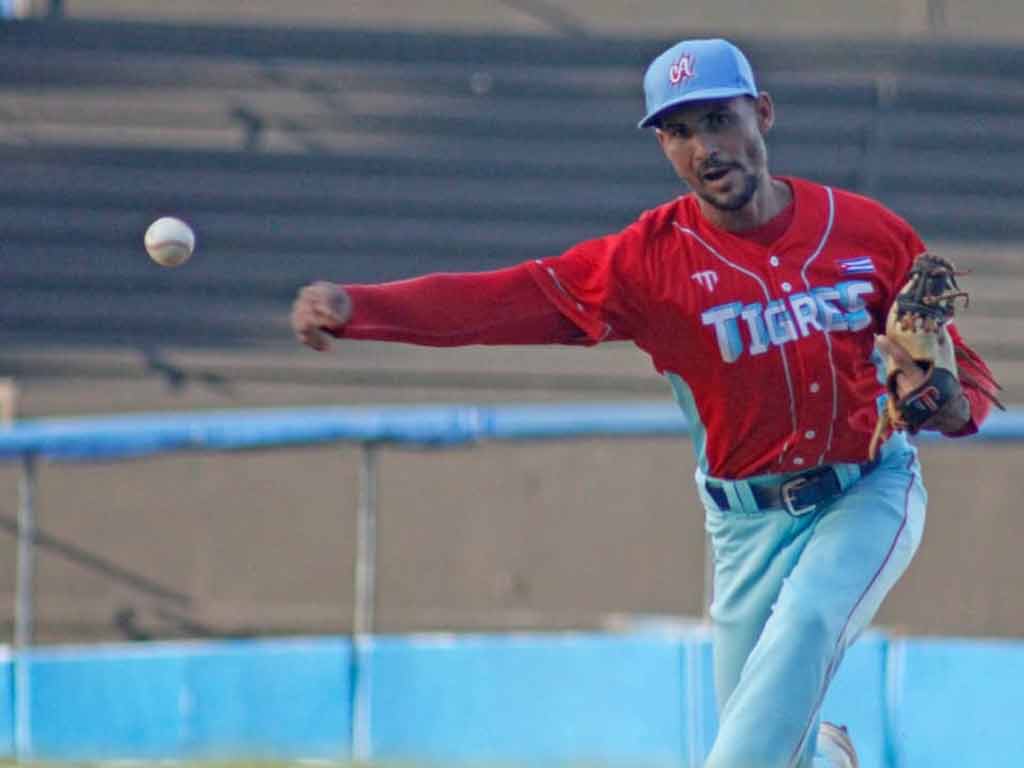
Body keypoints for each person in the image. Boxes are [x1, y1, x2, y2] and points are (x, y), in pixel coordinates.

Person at [291, 38, 999, 768]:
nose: (704, 148)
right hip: (745, 525)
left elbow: (961, 375)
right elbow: (503, 299)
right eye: (679, 132)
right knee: (772, 740)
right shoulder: (648, 262)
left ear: (762, 113)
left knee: (806, 629)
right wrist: (363, 307)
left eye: (719, 120)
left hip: (868, 489)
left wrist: (948, 403)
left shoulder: (865, 231)